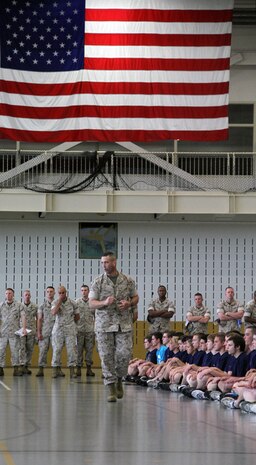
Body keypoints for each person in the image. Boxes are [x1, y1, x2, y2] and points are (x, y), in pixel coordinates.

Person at [89, 251, 139, 402]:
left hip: (123, 323)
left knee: (124, 354)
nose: (104, 265)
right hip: (104, 325)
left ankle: (119, 378)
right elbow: (91, 303)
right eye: (102, 263)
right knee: (106, 356)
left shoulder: (127, 280)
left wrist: (129, 303)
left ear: (114, 262)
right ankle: (110, 385)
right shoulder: (98, 282)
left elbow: (135, 297)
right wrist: (104, 303)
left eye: (106, 262)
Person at [51, 286, 80, 379]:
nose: (61, 295)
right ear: (57, 294)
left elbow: (77, 316)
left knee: (72, 350)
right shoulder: (55, 302)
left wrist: (70, 323)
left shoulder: (73, 303)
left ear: (66, 292)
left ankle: (72, 371)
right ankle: (56, 370)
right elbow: (54, 312)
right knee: (57, 350)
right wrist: (59, 301)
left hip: (70, 330)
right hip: (58, 330)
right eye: (59, 293)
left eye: (63, 293)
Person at [0, 288, 26, 376]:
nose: (8, 295)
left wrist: (24, 328)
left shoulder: (19, 305)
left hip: (14, 333)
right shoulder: (1, 305)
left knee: (15, 351)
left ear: (13, 294)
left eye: (10, 293)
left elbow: (23, 317)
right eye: (6, 293)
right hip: (3, 333)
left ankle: (16, 369)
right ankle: (0, 369)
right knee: (1, 351)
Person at [75, 285, 95, 377]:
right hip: (79, 330)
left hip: (89, 330)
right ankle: (78, 368)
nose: (84, 292)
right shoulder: (77, 302)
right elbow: (73, 316)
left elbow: (97, 316)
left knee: (89, 351)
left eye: (85, 290)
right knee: (78, 351)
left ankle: (89, 369)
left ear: (88, 291)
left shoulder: (92, 302)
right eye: (82, 290)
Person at [36, 286, 56, 377]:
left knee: (57, 351)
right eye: (47, 291)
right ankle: (41, 369)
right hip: (45, 331)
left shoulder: (58, 304)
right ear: (45, 293)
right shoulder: (42, 306)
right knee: (43, 350)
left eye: (51, 291)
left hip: (56, 332)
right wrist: (39, 332)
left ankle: (57, 369)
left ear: (54, 293)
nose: (49, 293)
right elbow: (39, 319)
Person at [19, 290, 38, 374]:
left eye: (28, 295)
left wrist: (37, 330)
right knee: (21, 348)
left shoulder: (34, 306)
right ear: (23, 296)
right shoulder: (19, 306)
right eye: (25, 295)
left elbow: (38, 318)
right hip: (21, 329)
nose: (27, 296)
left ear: (30, 296)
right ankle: (21, 366)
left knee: (30, 348)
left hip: (31, 330)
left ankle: (26, 366)